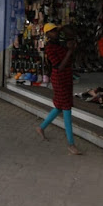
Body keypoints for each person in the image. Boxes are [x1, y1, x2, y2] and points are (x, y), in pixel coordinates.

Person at [36, 23, 81, 155]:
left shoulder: (60, 44)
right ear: (47, 34)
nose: (55, 32)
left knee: (60, 106)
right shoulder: (50, 48)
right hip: (59, 78)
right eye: (52, 31)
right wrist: (70, 51)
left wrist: (62, 30)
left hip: (66, 77)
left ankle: (41, 127)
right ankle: (71, 144)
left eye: (56, 30)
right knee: (66, 108)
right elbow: (59, 67)